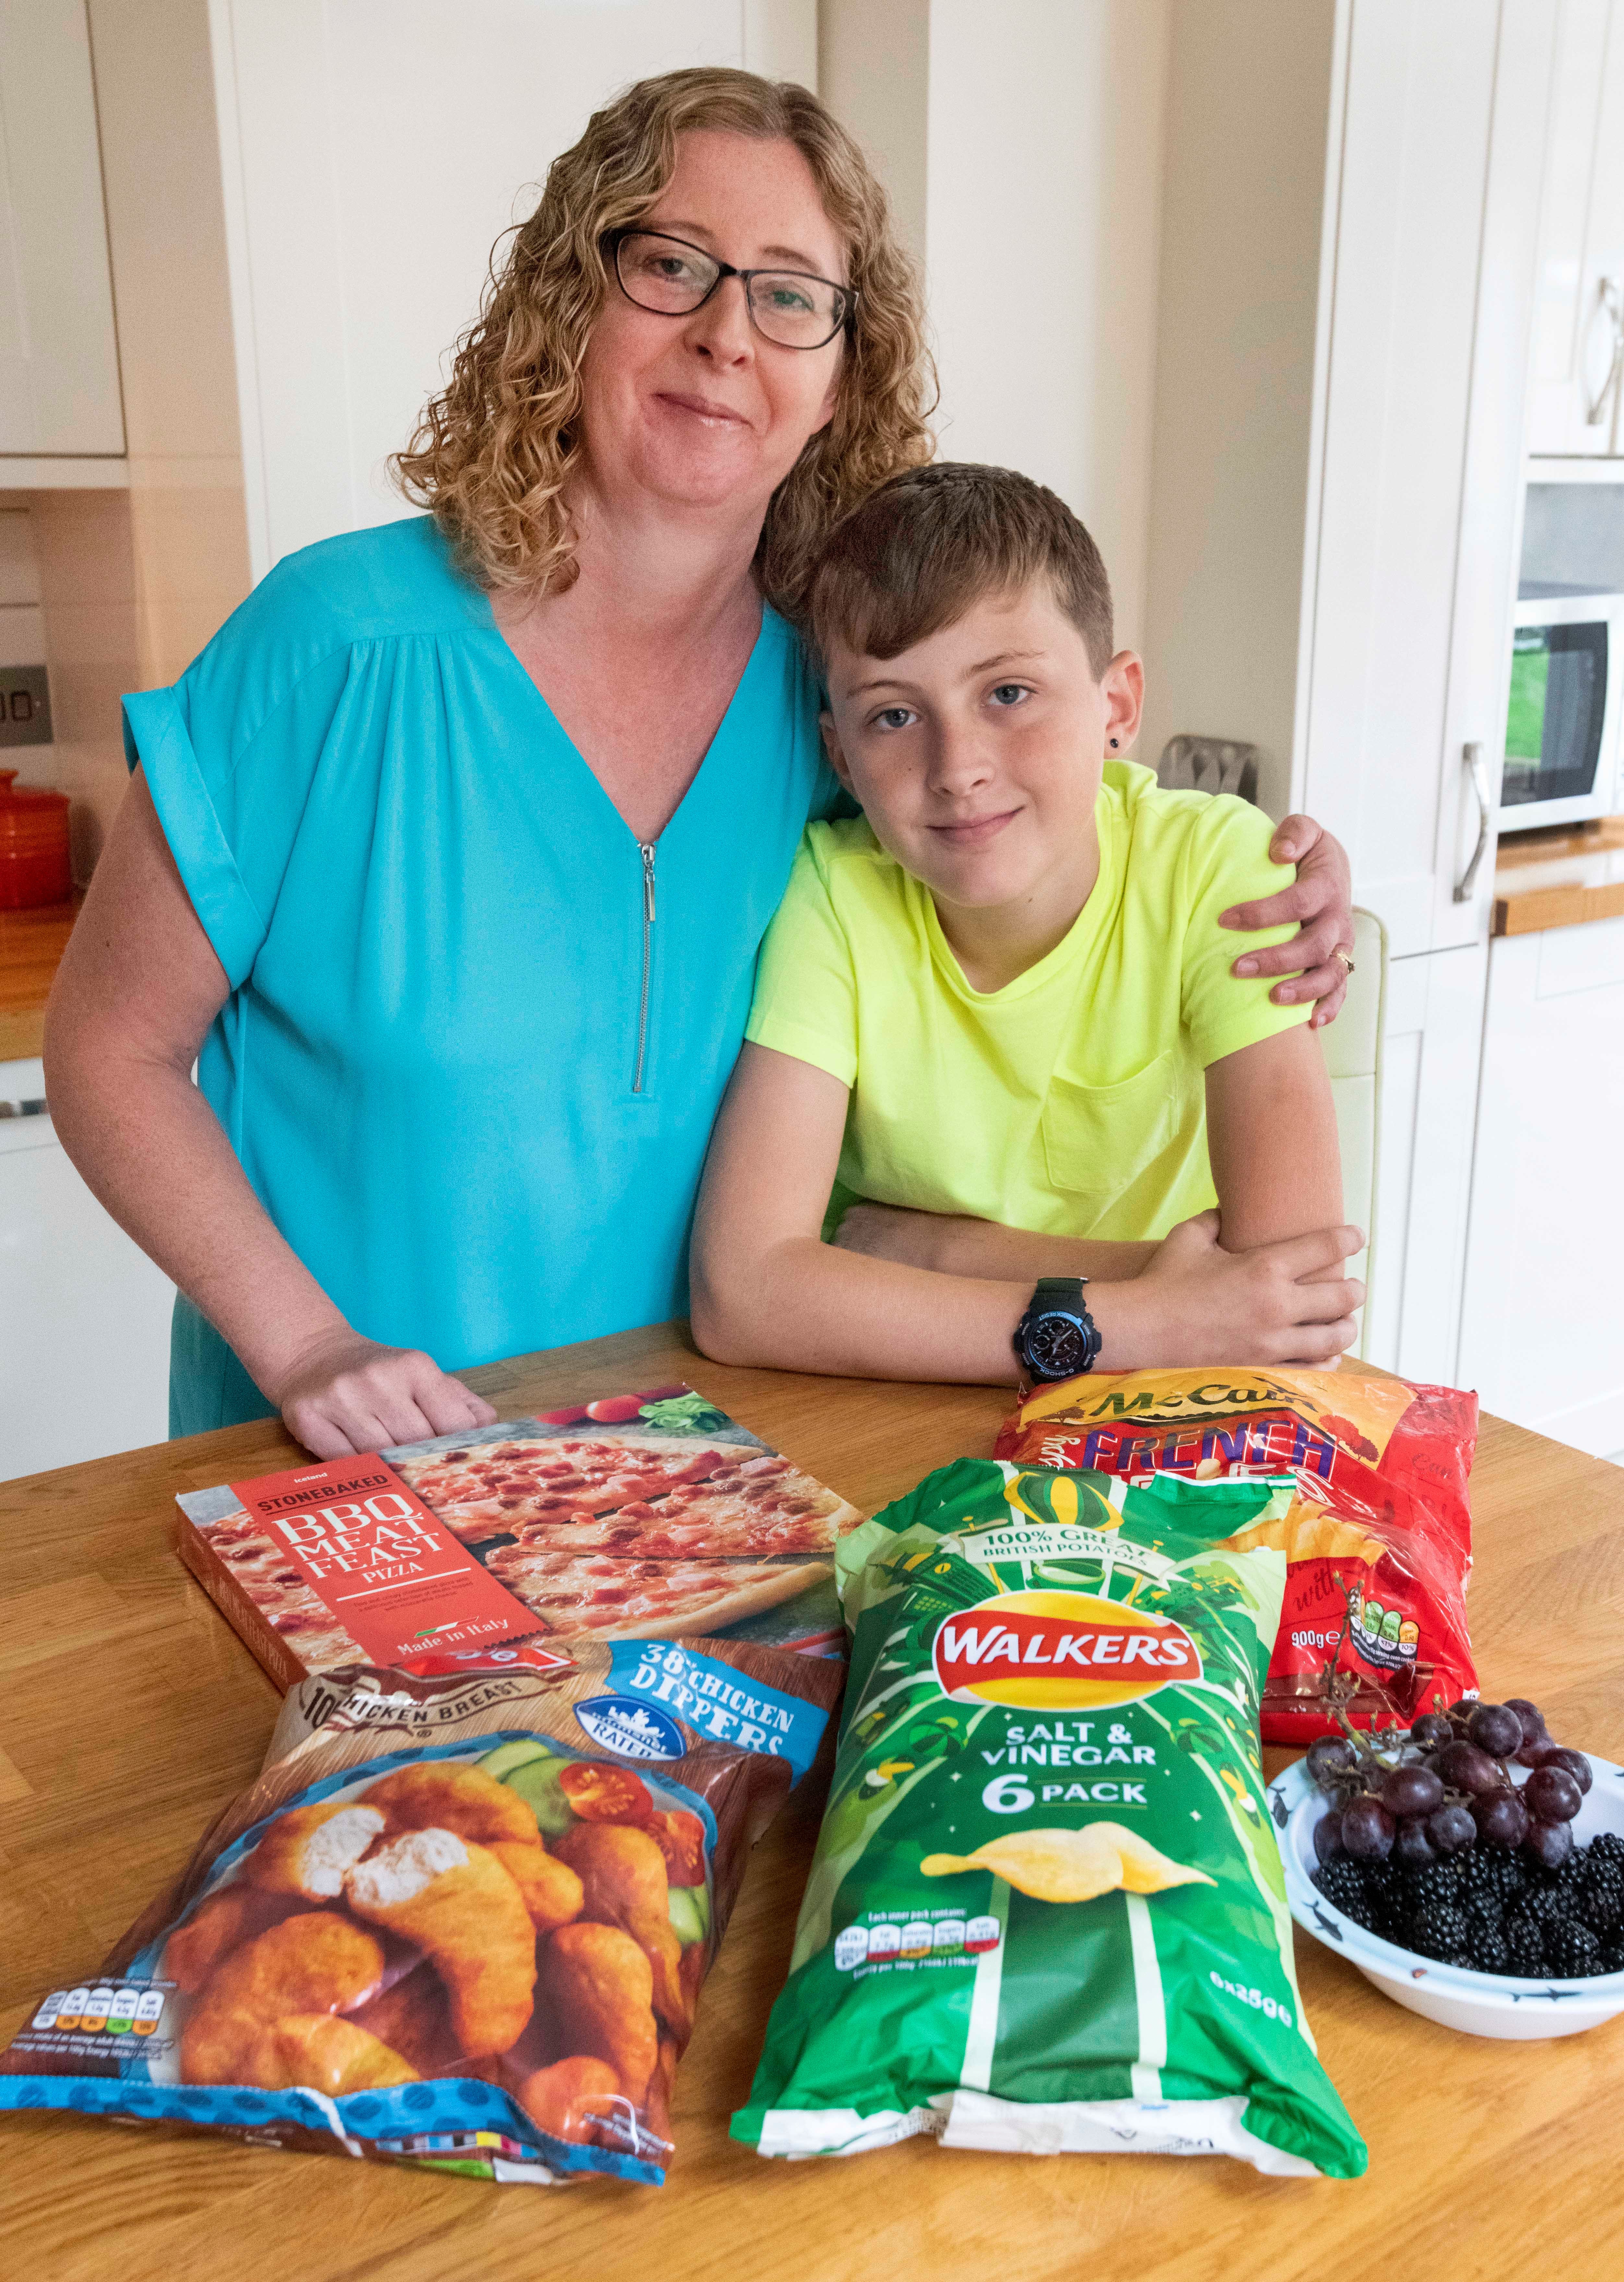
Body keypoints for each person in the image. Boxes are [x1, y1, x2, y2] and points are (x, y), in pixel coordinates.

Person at [43, 68, 1358, 1463]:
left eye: (792, 294)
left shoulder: (843, 706)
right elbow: (112, 1049)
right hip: (347, 1466)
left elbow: (1059, 857)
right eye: (670, 266)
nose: (730, 332)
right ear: (570, 303)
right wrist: (307, 1344)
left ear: (841, 373)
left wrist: (1289, 871)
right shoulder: (332, 649)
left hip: (715, 1480)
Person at [690, 465, 1362, 1381]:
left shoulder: (1221, 872)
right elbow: (742, 1295)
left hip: (1161, 1417)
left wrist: (942, 1254)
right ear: (839, 756)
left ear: (1116, 707)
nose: (957, 766)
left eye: (1008, 694)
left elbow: (1296, 1294)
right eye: (893, 714)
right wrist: (1146, 1315)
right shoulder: (835, 897)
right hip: (905, 1410)